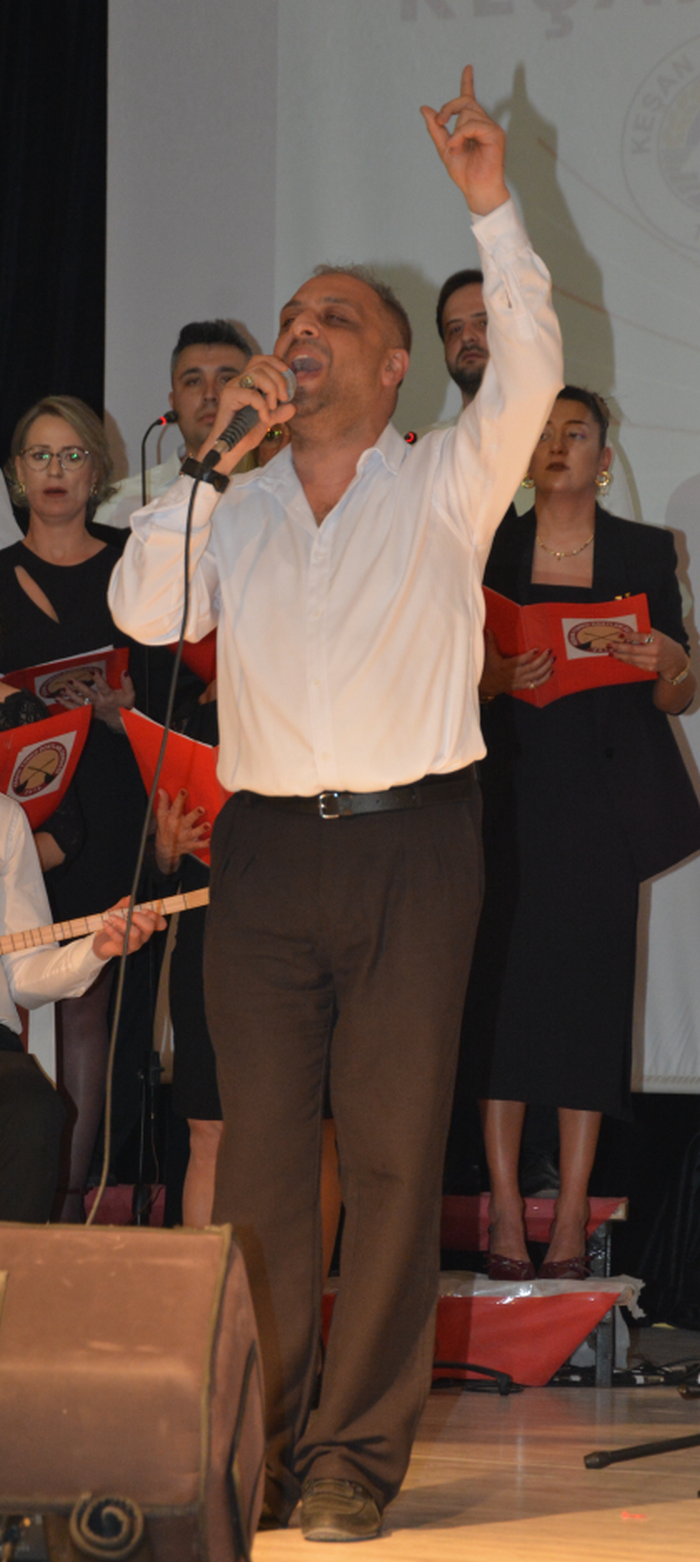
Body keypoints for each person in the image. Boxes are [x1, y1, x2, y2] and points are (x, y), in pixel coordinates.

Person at [109, 66, 562, 1542]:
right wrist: (205, 464)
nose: (302, 332)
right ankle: (260, 1437)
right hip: (263, 856)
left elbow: (533, 364)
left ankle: (353, 1454)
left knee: (386, 1155)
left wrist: (490, 205)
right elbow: (141, 606)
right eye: (291, 317)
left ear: (392, 372)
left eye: (338, 320)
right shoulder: (229, 505)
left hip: (412, 845)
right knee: (257, 1162)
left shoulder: (443, 483)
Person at [467, 385, 700, 1282]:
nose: (559, 444)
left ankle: (569, 1217)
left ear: (604, 458)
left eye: (578, 433)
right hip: (506, 800)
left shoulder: (644, 550)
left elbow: (678, 691)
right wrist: (495, 676)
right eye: (545, 433)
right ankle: (502, 1211)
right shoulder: (488, 546)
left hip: (602, 808)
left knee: (587, 1009)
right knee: (501, 1007)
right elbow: (451, 674)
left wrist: (671, 662)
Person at [1, 394, 150, 1221]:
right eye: (39, 455)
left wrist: (126, 709)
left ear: (98, 470)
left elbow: (175, 687)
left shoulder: (132, 564)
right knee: (27, 1002)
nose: (55, 471)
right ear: (16, 473)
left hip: (113, 801)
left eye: (71, 455)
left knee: (89, 1004)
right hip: (23, 823)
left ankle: (66, 1207)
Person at [0, 791, 164, 1222]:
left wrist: (96, 949)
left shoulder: (5, 818)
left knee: (32, 1106)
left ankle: (16, 1262)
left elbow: (24, 976)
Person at [93, 320, 253, 530]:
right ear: (173, 401)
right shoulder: (123, 503)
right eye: (193, 381)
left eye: (226, 380)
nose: (210, 395)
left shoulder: (277, 490)